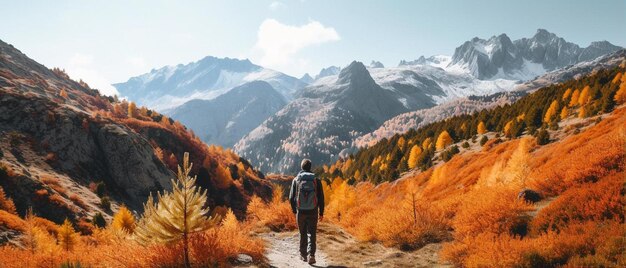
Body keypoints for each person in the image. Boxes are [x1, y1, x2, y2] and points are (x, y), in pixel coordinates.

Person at [289, 159, 324, 265]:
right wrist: (321, 213)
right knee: (312, 234)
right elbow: (321, 198)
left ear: (301, 167)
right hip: (313, 211)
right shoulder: (316, 180)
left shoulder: (296, 180)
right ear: (310, 167)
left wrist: (294, 210)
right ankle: (311, 255)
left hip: (301, 211)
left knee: (302, 233)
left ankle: (303, 255)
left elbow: (291, 197)